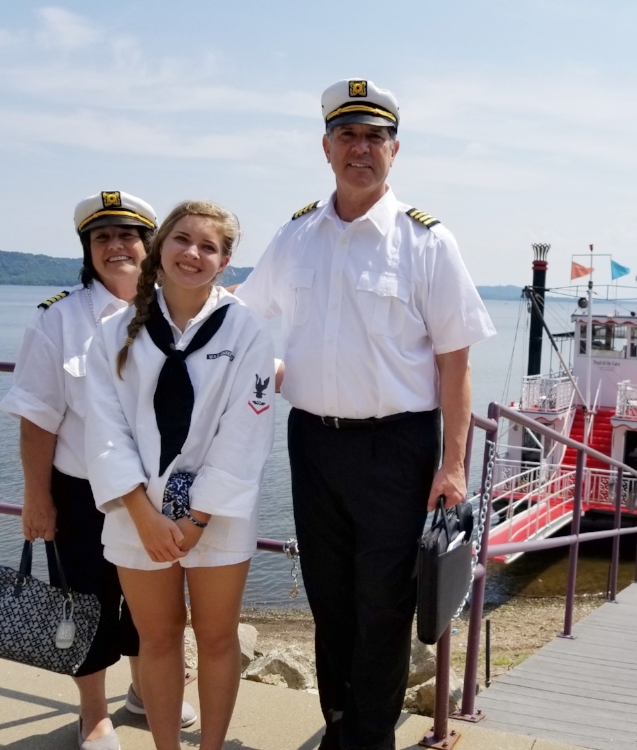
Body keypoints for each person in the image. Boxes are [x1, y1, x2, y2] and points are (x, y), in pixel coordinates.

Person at [236, 78, 495, 750]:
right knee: (329, 596)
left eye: (374, 137)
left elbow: (455, 365)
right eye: (348, 136)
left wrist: (455, 465)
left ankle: (372, 736)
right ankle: (341, 723)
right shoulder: (296, 236)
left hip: (398, 446)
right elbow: (239, 314)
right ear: (326, 148)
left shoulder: (429, 243)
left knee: (384, 602)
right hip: (314, 444)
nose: (361, 149)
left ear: (395, 150)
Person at [0, 191, 196, 750]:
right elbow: (37, 419)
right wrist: (36, 498)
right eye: (102, 237)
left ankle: (143, 691)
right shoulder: (58, 320)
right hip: (83, 489)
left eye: (128, 235)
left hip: (156, 491)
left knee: (152, 600)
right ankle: (94, 714)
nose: (116, 247)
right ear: (88, 250)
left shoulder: (176, 310)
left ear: (149, 245)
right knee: (84, 600)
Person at [85, 201, 275, 750]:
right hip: (136, 513)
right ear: (160, 247)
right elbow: (105, 430)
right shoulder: (115, 332)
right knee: (158, 638)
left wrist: (194, 517)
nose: (193, 253)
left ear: (225, 262)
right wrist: (145, 516)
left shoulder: (246, 332)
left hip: (215, 514)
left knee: (217, 640)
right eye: (182, 239)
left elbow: (245, 434)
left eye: (208, 247)